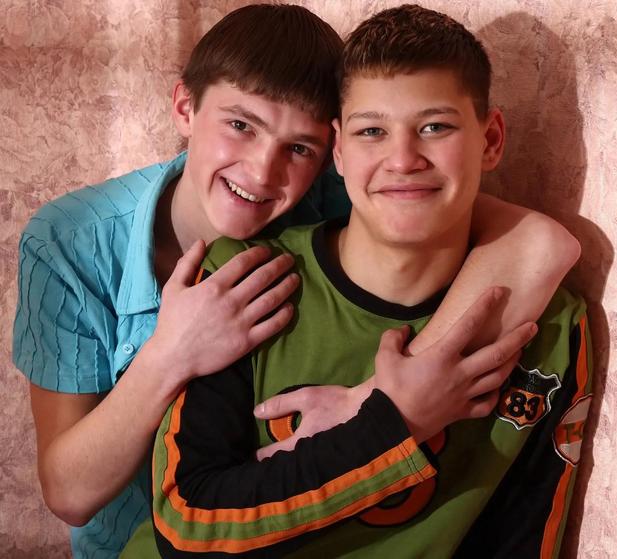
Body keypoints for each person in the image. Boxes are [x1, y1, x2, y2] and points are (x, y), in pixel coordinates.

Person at [13, 4, 578, 559]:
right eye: (240, 125)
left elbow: (534, 242)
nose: (263, 171)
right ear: (185, 106)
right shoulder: (72, 239)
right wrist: (171, 353)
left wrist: (379, 404)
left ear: (330, 152)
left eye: (300, 148)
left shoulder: (339, 194)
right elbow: (69, 494)